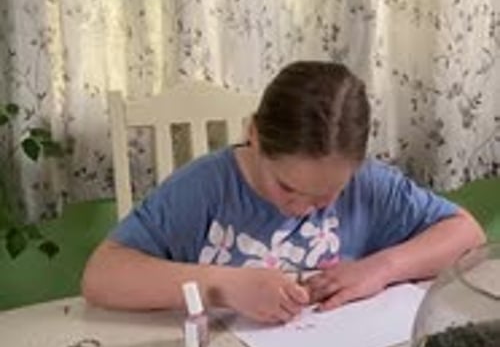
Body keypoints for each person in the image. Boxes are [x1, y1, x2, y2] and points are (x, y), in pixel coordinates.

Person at [82, 61, 485, 323]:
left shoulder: (368, 185)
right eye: (288, 186)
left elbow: (468, 235)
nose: (302, 208)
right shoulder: (204, 188)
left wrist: (381, 268)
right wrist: (224, 286)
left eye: (328, 194)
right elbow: (102, 276)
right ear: (253, 135)